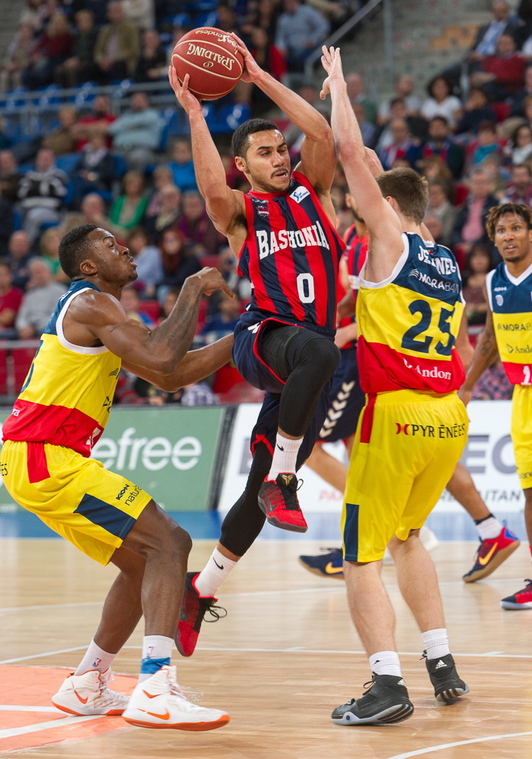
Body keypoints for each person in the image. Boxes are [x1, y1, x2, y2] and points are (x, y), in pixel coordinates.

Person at [0, 223, 234, 729]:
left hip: (39, 458)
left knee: (143, 565)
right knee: (170, 543)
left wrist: (245, 339)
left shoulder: (103, 314)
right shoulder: (91, 303)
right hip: (46, 457)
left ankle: (88, 682)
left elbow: (168, 375)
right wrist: (192, 289)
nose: (124, 247)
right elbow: (162, 356)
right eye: (109, 244)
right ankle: (155, 685)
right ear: (87, 266)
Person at [169, 30, 344, 649]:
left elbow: (322, 134)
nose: (279, 157)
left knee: (252, 493)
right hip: (263, 336)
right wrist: (196, 114)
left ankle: (201, 590)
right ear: (244, 165)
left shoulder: (315, 192)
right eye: (264, 153)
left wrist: (257, 76)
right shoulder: (242, 214)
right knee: (321, 351)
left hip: (304, 364)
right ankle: (288, 482)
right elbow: (211, 190)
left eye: (279, 149)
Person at [317, 45, 470, 725]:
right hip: (449, 416)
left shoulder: (389, 239)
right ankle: (441, 659)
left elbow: (352, 155)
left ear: (388, 205)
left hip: (398, 412)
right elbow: (463, 351)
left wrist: (340, 89)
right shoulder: (446, 260)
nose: (356, 208)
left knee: (360, 555)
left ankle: (387, 684)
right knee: (410, 535)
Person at [460, 203, 532, 609]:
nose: (508, 235)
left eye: (516, 228)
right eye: (501, 230)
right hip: (522, 396)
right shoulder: (494, 280)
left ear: (530, 233)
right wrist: (468, 385)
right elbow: (489, 336)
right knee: (530, 491)